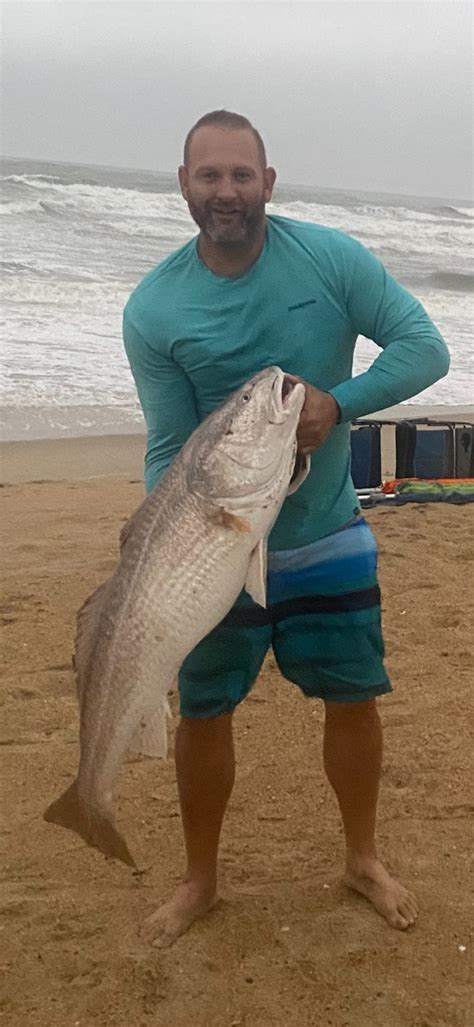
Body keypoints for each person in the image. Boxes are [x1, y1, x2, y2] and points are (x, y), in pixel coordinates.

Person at [123, 110, 450, 947]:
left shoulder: (330, 260)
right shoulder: (155, 306)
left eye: (241, 175)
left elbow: (423, 346)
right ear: (184, 184)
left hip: (327, 530)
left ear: (268, 182)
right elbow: (168, 444)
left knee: (354, 698)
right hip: (213, 547)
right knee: (204, 709)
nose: (225, 191)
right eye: (209, 176)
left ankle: (362, 857)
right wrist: (162, 546)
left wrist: (340, 403)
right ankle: (201, 877)